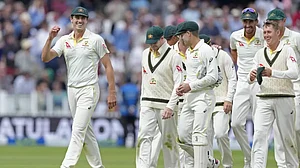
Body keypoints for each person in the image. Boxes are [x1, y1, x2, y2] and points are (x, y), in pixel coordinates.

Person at [41, 6, 117, 168]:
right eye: (77, 18)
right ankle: (98, 166)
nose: (79, 21)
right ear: (71, 19)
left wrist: (112, 92)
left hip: (89, 89)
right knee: (85, 131)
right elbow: (46, 58)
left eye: (82, 18)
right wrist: (50, 38)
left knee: (77, 129)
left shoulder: (95, 39)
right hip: (72, 90)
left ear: (87, 20)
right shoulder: (64, 40)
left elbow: (108, 66)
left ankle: (66, 165)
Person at [249, 20, 299, 168]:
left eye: (269, 32)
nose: (266, 35)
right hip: (264, 98)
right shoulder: (259, 53)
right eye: (264, 32)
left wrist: (273, 73)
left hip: (284, 97)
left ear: (278, 33)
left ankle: (292, 166)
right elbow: (249, 78)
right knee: (259, 135)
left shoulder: (288, 50)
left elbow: (294, 73)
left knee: (287, 138)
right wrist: (251, 76)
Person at [136, 25, 182, 168]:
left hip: (166, 105)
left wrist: (171, 105)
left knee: (169, 142)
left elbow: (178, 83)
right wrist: (142, 101)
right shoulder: (145, 53)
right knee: (143, 137)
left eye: (155, 42)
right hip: (147, 103)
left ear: (162, 39)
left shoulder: (174, 56)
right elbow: (145, 79)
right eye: (150, 43)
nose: (153, 46)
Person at [175, 21, 219, 168]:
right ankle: (208, 162)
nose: (180, 39)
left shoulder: (206, 50)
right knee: (182, 136)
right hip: (190, 97)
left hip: (204, 97)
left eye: (181, 36)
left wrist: (191, 85)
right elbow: (193, 75)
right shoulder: (189, 51)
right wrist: (184, 85)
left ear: (189, 33)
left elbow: (213, 77)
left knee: (198, 135)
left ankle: (201, 165)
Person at [229, 8, 264, 168]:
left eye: (251, 21)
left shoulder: (264, 34)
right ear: (242, 21)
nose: (248, 24)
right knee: (236, 123)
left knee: (259, 123)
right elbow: (234, 55)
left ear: (256, 21)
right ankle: (248, 156)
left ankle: (256, 162)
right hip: (242, 82)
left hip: (259, 82)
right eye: (245, 21)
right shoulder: (235, 36)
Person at [266, 8, 300, 166]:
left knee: (297, 128)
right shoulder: (269, 37)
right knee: (279, 131)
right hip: (278, 88)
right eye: (271, 22)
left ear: (284, 22)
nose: (274, 24)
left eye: (276, 22)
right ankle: (282, 165)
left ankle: (295, 159)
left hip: (297, 86)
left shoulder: (295, 37)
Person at [200, 34, 236, 168]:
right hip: (204, 102)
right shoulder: (198, 57)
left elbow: (232, 78)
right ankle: (210, 163)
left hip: (221, 102)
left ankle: (227, 164)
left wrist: (229, 98)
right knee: (205, 137)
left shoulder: (223, 56)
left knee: (221, 134)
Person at [119, 74, 139, 148]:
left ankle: (124, 143)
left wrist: (127, 107)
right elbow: (137, 98)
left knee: (125, 128)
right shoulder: (135, 88)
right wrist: (132, 107)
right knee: (133, 128)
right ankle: (134, 143)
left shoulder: (123, 88)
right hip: (133, 111)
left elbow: (121, 99)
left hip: (124, 111)